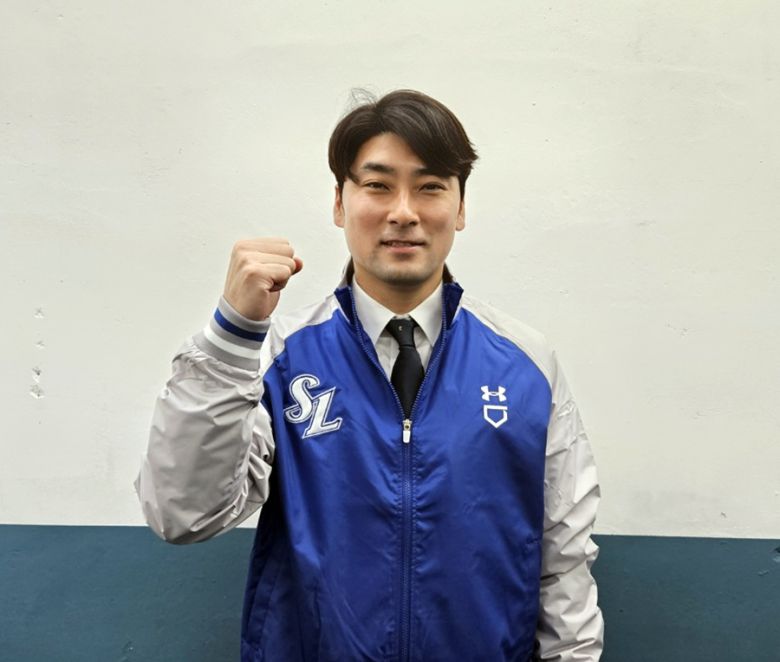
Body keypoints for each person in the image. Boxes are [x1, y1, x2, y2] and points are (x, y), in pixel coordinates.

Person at [136, 89, 604, 661]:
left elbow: (563, 558)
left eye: (430, 186)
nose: (403, 212)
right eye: (378, 185)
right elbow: (183, 514)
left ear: (460, 207)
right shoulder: (278, 360)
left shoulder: (525, 364)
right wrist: (230, 336)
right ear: (339, 202)